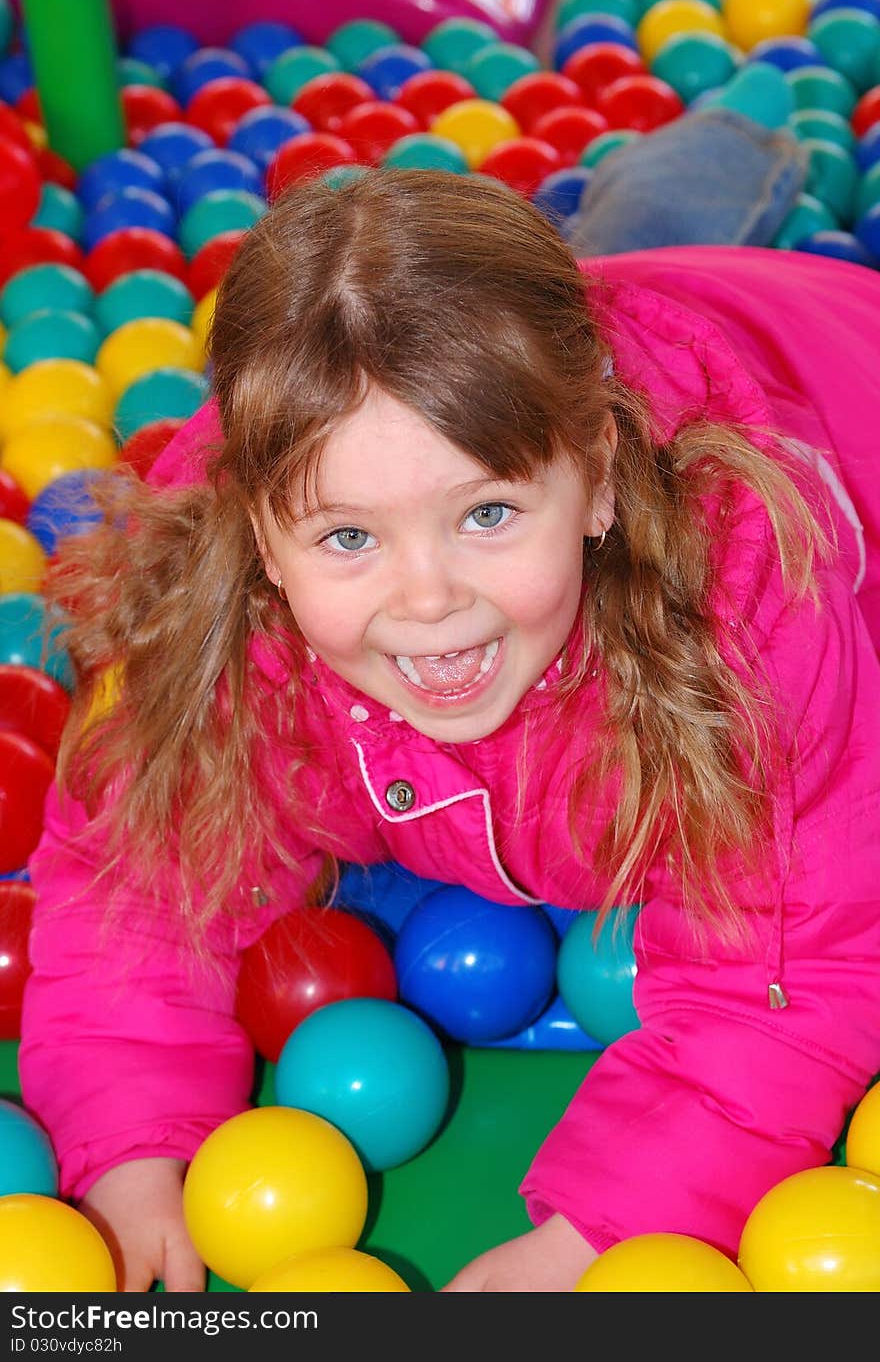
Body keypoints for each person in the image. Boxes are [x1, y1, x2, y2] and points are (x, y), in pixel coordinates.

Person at [18, 166, 880, 1293]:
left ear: (600, 487)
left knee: (668, 250)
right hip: (556, 364)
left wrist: (591, 1240)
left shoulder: (751, 599)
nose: (426, 599)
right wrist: (130, 1153)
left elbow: (793, 968)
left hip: (821, 359)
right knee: (589, 286)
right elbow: (139, 878)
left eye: (487, 514)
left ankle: (713, 162)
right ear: (262, 541)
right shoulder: (225, 629)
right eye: (345, 539)